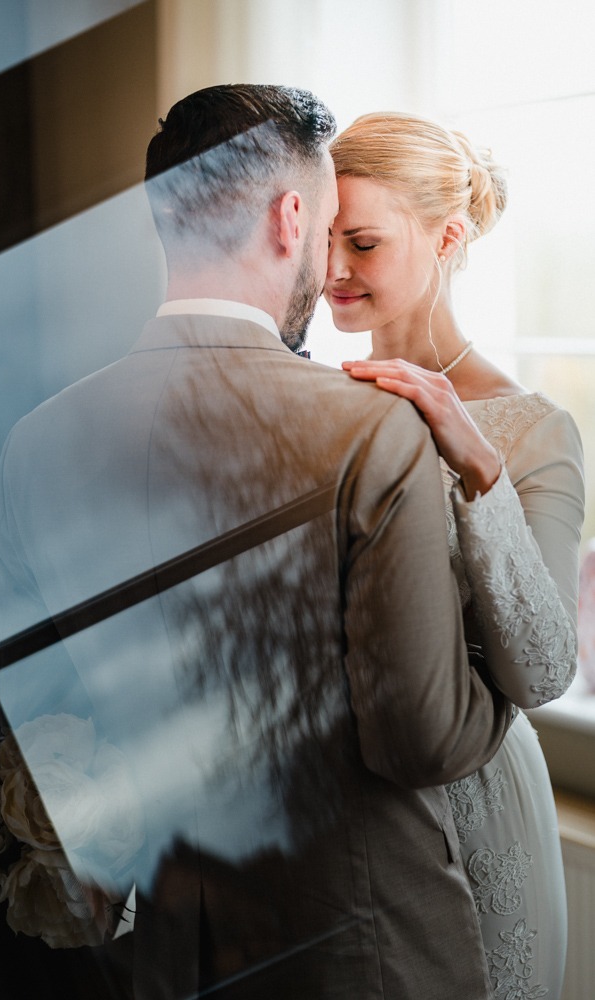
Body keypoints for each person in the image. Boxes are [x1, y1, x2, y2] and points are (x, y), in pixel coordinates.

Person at [0, 86, 512, 1000]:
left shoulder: (33, 444)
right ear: (290, 216)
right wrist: (500, 679)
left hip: (173, 954)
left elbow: (41, 729)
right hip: (364, 955)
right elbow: (421, 743)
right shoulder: (368, 431)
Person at [325, 110, 585, 1000]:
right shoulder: (313, 407)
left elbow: (544, 668)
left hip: (474, 820)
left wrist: (476, 466)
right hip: (335, 820)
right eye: (322, 238)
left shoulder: (532, 430)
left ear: (446, 236)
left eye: (359, 241)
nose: (330, 270)